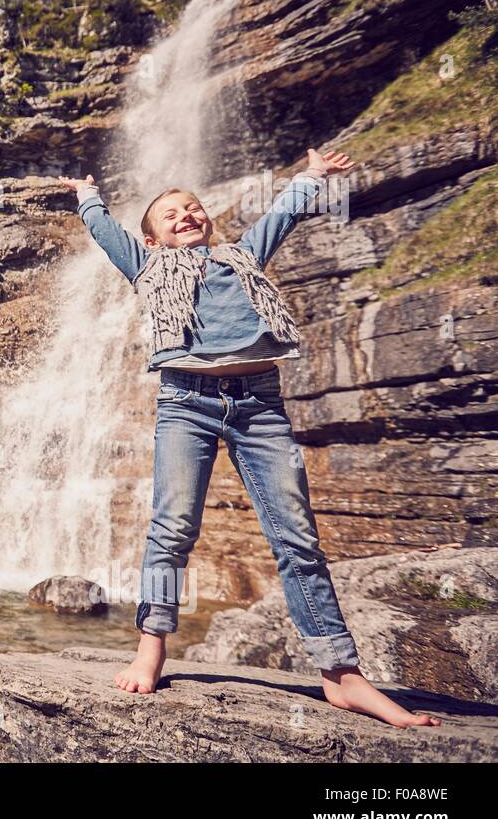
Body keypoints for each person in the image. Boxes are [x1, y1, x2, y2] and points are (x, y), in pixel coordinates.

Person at [58, 149, 441, 728]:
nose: (186, 214)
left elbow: (280, 216)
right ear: (154, 240)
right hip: (186, 402)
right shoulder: (145, 265)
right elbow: (107, 231)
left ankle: (341, 674)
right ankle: (151, 644)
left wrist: (311, 178)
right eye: (170, 214)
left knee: (298, 536)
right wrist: (88, 198)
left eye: (193, 207)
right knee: (172, 529)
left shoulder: (241, 258)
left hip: (261, 404)